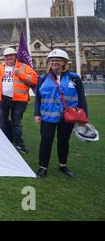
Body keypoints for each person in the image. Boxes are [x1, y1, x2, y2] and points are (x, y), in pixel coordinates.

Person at [34, 49, 87, 178]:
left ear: (64, 62)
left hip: (67, 117)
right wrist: (37, 114)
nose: (54, 62)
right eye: (52, 60)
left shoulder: (74, 78)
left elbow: (81, 97)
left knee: (64, 141)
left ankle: (63, 165)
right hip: (48, 116)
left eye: (58, 60)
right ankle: (43, 167)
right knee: (46, 141)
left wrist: (84, 115)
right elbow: (38, 98)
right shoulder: (42, 78)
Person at [0, 47, 38, 153]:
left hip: (19, 100)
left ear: (15, 56)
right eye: (6, 56)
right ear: (4, 58)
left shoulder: (24, 67)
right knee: (2, 122)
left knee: (17, 123)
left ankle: (19, 144)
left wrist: (20, 73)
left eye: (11, 55)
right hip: (2, 99)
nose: (9, 58)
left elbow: (35, 79)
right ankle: (3, 143)